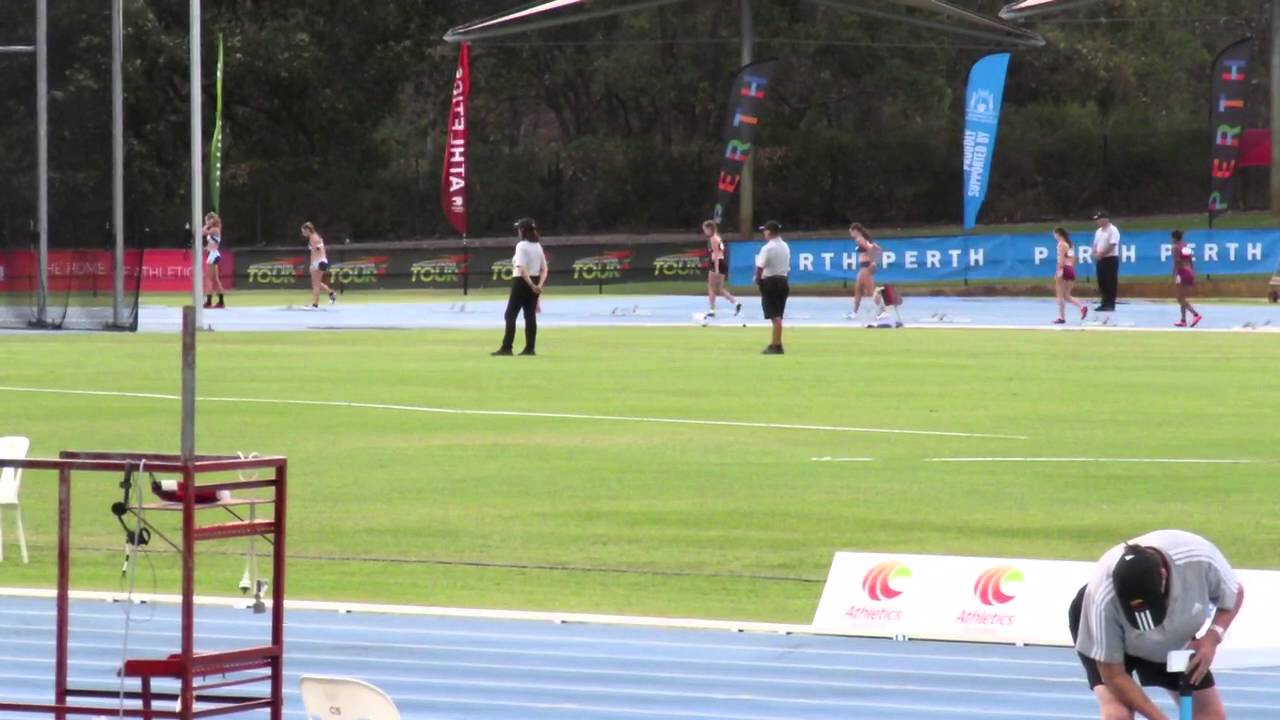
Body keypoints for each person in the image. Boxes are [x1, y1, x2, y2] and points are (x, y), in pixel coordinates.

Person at [1069, 529, 1244, 720]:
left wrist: (1212, 637)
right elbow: (1113, 675)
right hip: (1113, 633)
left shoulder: (1199, 558)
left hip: (1174, 630)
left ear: (1163, 575)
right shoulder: (1101, 596)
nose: (1148, 629)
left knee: (1210, 715)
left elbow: (1234, 593)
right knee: (1118, 714)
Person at [492, 217, 548, 357]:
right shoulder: (537, 246)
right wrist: (539, 285)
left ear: (522, 230)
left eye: (519, 229)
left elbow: (522, 268)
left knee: (510, 314)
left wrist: (530, 284)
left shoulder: (521, 246)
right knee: (530, 315)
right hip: (535, 280)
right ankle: (530, 348)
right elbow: (544, 269)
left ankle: (507, 347)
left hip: (522, 281)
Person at [754, 220, 790, 354]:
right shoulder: (785, 246)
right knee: (778, 314)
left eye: (765, 231)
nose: (764, 233)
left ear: (769, 232)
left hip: (770, 281)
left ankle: (777, 345)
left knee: (775, 316)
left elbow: (760, 267)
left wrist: (758, 280)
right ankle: (775, 342)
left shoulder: (767, 248)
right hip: (783, 280)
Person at [703, 220, 741, 318]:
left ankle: (712, 309)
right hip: (722, 262)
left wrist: (716, 269)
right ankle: (735, 302)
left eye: (705, 229)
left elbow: (716, 254)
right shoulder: (718, 238)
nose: (704, 232)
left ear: (709, 229)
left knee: (711, 287)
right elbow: (721, 251)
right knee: (719, 289)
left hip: (717, 263)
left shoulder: (713, 239)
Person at [847, 223, 884, 323]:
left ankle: (882, 311)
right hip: (864, 266)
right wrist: (874, 262)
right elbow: (877, 249)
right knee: (858, 289)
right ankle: (854, 312)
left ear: (856, 231)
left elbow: (872, 249)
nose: (850, 234)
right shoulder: (863, 239)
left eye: (851, 232)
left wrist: (873, 263)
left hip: (866, 266)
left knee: (871, 291)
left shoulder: (859, 239)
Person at [1053, 227, 1087, 324]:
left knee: (1060, 295)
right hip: (1070, 268)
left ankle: (1061, 317)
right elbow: (1073, 259)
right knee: (1066, 295)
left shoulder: (1061, 244)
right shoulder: (1070, 245)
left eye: (1054, 234)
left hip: (1064, 269)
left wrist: (1058, 270)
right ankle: (1082, 307)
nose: (1054, 237)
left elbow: (1061, 259)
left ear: (1058, 234)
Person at [1171, 230, 1202, 328]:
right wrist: (1193, 273)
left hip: (1182, 272)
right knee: (1183, 297)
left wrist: (1174, 275)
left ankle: (1195, 314)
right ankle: (1183, 320)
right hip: (1189, 271)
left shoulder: (1175, 247)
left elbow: (1177, 262)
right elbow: (1190, 260)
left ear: (1174, 238)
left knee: (1180, 298)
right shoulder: (1186, 246)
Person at [302, 221, 336, 309]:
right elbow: (315, 251)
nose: (303, 233)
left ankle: (315, 305)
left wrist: (315, 263)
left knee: (315, 285)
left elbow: (319, 249)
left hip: (318, 262)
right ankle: (331, 293)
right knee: (316, 283)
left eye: (304, 231)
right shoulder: (315, 237)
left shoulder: (314, 238)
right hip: (319, 261)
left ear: (308, 230)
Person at [1093, 211, 1121, 312]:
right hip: (1100, 259)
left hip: (1110, 258)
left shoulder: (1113, 230)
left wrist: (1102, 253)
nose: (1097, 221)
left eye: (1099, 219)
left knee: (1110, 281)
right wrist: (1095, 252)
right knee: (1102, 281)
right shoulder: (1098, 231)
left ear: (1105, 219)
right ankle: (1104, 302)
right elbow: (1095, 244)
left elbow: (1112, 244)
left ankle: (1110, 303)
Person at [202, 212, 226, 309]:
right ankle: (221, 302)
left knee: (208, 279)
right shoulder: (214, 230)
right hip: (213, 254)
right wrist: (205, 248)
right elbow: (211, 243)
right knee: (215, 279)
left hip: (213, 254)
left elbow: (203, 232)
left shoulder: (214, 229)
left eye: (207, 220)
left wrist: (206, 225)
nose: (206, 222)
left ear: (212, 220)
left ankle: (208, 302)